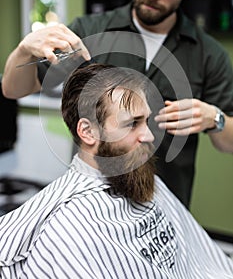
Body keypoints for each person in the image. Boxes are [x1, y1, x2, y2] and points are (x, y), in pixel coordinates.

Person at [2, 0, 233, 208]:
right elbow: (14, 89)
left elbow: (228, 143)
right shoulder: (90, 32)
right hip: (93, 204)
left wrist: (216, 118)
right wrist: (24, 49)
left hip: (166, 207)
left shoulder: (209, 55)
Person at [0, 63, 233, 279]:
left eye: (146, 121)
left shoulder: (146, 181)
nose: (149, 136)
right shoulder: (69, 230)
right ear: (88, 132)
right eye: (132, 123)